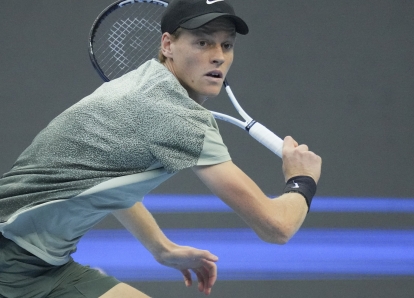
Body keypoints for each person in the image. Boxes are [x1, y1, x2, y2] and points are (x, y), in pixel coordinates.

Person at [0, 0, 322, 297]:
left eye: (226, 45)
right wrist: (301, 180)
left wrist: (162, 248)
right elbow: (276, 228)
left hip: (47, 267)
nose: (218, 56)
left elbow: (107, 180)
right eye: (202, 42)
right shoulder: (179, 119)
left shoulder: (142, 84)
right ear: (167, 45)